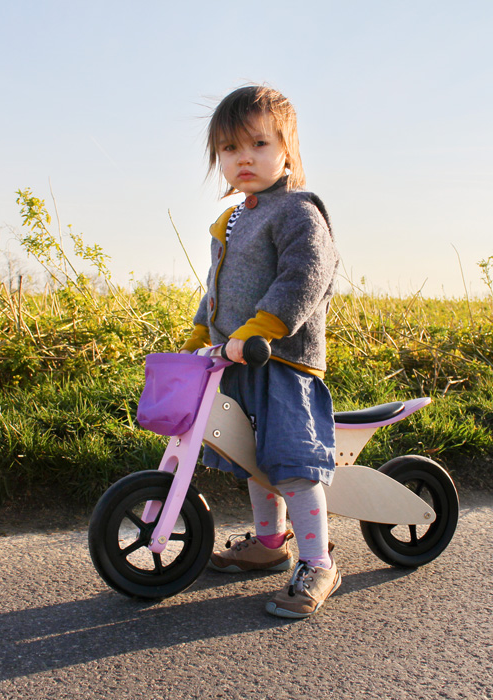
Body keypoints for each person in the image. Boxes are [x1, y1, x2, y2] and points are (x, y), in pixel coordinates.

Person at [180, 84, 341, 618]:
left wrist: (263, 329)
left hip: (281, 362)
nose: (243, 157)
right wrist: (201, 335)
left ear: (287, 151)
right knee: (253, 461)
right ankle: (270, 545)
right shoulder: (231, 221)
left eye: (258, 144)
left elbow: (305, 277)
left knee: (292, 462)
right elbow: (218, 289)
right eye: (229, 149)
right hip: (238, 360)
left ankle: (318, 563)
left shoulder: (297, 211)